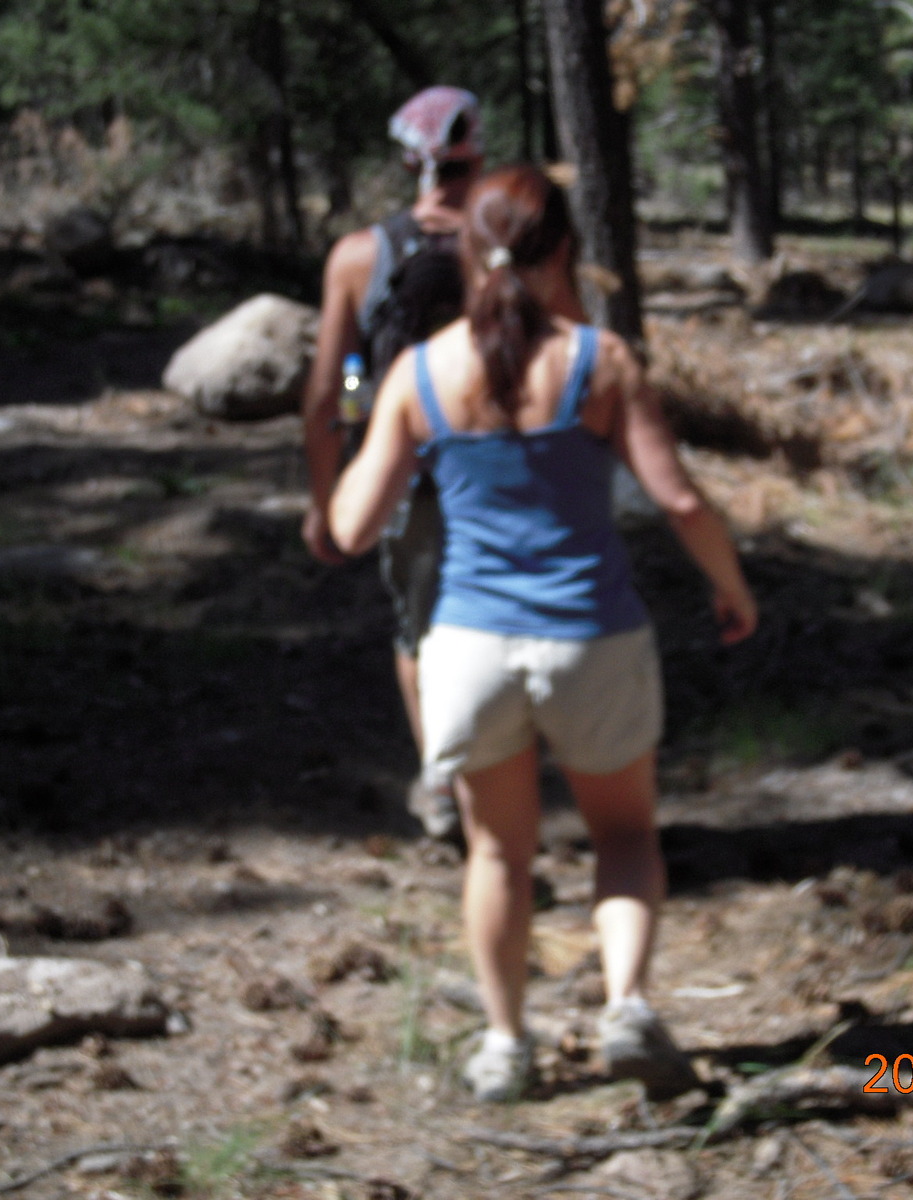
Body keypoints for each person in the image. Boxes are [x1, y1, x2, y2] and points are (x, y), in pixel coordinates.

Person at [330, 165, 759, 1102]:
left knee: (497, 854)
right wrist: (732, 588)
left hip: (468, 648)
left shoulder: (420, 371)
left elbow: (353, 527)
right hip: (591, 638)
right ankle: (628, 1007)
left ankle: (504, 1045)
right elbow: (681, 500)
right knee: (626, 836)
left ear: (466, 254)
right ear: (564, 250)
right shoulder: (600, 361)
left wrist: (360, 429)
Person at [301, 86, 495, 841]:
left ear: (410, 162)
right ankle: (500, 774)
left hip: (408, 472)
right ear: (477, 156)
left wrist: (340, 467)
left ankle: (442, 778)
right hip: (504, 466)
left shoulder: (362, 255)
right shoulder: (509, 245)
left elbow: (337, 381)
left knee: (421, 627)